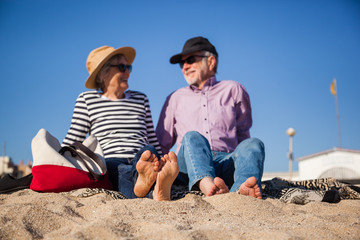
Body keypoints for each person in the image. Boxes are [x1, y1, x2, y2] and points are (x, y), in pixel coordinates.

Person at [63, 45, 179, 201]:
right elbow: (73, 139)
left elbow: (151, 138)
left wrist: (163, 160)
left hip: (143, 156)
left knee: (149, 150)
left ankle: (146, 180)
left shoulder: (141, 99)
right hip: (111, 159)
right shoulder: (87, 100)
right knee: (117, 169)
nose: (128, 72)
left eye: (129, 67)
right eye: (122, 67)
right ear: (102, 74)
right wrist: (53, 160)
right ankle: (152, 188)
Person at [156, 36, 265, 199]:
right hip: (188, 165)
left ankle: (241, 191)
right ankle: (208, 186)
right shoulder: (174, 98)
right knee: (192, 136)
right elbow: (161, 144)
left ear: (211, 61)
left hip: (225, 161)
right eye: (182, 63)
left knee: (254, 144)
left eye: (191, 60)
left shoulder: (233, 89)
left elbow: (243, 135)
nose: (185, 67)